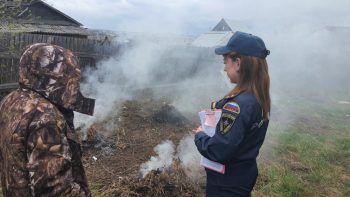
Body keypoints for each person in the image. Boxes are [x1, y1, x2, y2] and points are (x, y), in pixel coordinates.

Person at [0, 43, 95, 196]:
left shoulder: (11, 100)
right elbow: (55, 190)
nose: (74, 83)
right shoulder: (45, 119)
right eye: (70, 76)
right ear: (54, 76)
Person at [192, 31, 271, 197]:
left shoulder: (237, 105)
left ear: (238, 63)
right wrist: (217, 115)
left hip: (226, 184)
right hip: (243, 175)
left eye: (225, 60)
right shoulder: (258, 98)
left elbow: (219, 151)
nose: (224, 67)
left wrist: (200, 136)